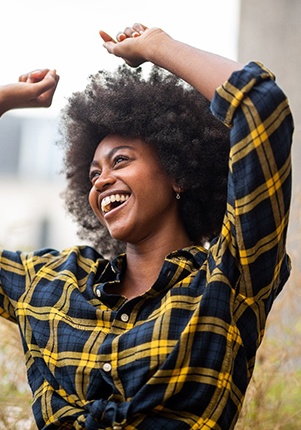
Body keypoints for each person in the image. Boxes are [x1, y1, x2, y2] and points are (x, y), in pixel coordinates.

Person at [0, 23, 293, 430]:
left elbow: (262, 107)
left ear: (178, 174)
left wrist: (157, 47)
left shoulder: (227, 280)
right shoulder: (53, 283)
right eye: (93, 173)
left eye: (120, 161)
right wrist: (5, 100)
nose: (100, 180)